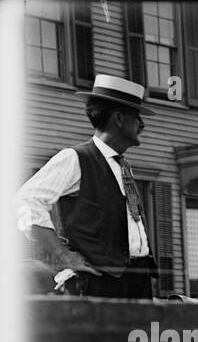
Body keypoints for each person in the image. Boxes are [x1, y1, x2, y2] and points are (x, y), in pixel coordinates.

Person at [16, 74, 157, 298]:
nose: (142, 124)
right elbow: (27, 201)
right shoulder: (75, 158)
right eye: (136, 116)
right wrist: (64, 257)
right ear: (119, 119)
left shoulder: (123, 167)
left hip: (138, 281)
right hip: (100, 284)